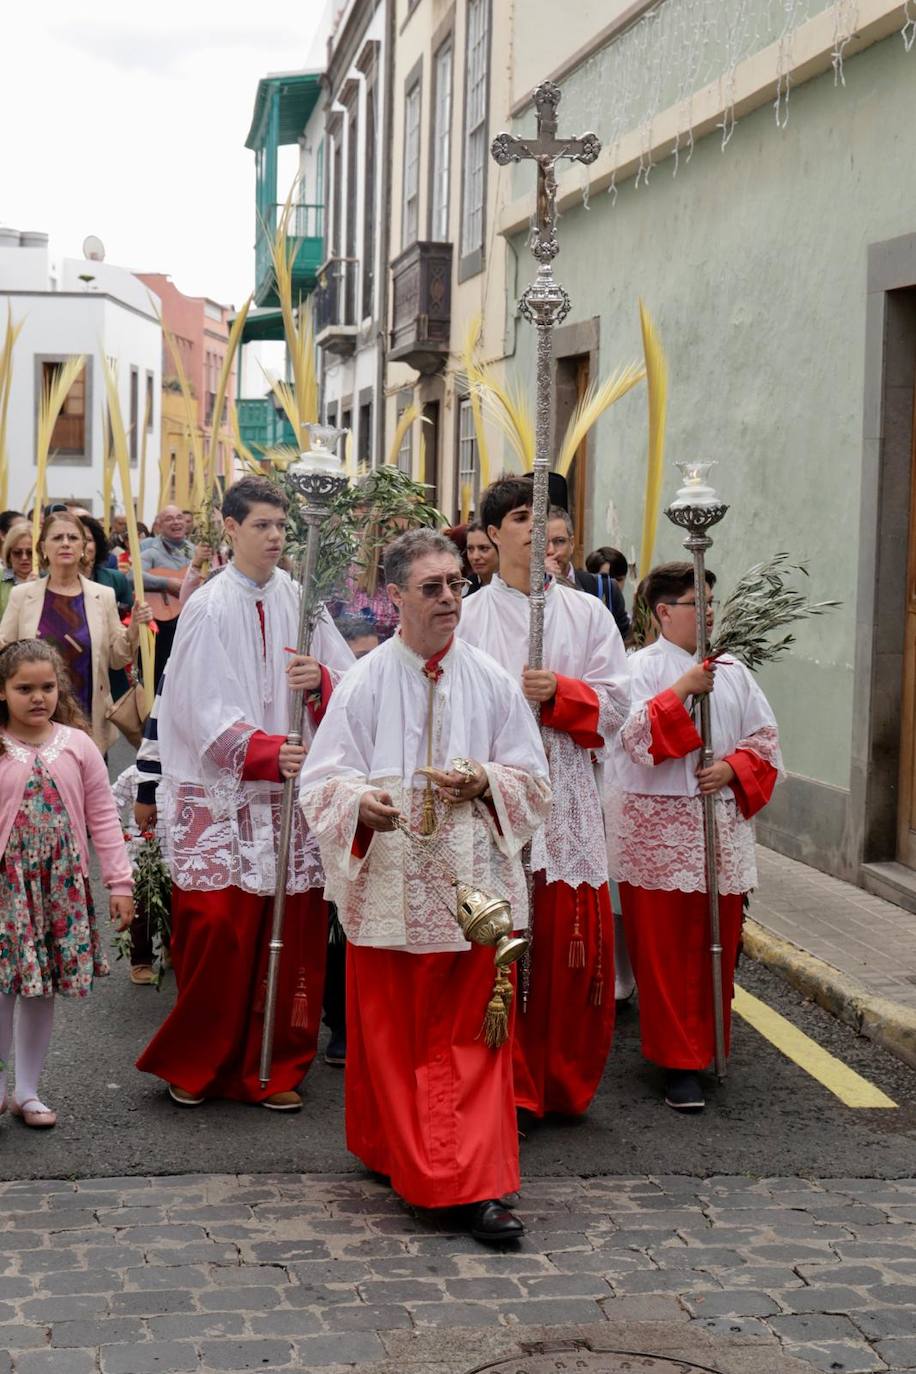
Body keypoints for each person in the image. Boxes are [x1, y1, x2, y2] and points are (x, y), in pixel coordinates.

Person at [299, 529, 551, 1242]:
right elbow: (322, 780)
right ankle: (400, 1153)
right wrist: (360, 805)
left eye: (455, 586)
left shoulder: (493, 680)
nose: (449, 598)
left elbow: (535, 783)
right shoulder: (366, 681)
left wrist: (484, 780)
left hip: (474, 892)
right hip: (391, 887)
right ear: (395, 597)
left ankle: (466, 1186)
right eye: (432, 587)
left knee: (471, 1039)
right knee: (397, 1039)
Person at [136, 475, 355, 1110]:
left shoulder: (302, 599)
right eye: (262, 525)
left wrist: (320, 681)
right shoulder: (207, 605)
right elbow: (196, 706)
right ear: (229, 529)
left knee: (292, 937)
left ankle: (274, 1068)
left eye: (282, 527)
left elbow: (349, 683)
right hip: (225, 798)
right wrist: (261, 751)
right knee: (219, 934)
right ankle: (198, 1060)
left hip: (287, 797)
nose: (275, 537)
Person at [457, 477, 630, 1121]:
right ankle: (504, 1081)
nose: (535, 528)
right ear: (494, 533)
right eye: (521, 516)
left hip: (563, 790)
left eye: (545, 516)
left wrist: (560, 693)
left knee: (565, 941)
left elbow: (617, 705)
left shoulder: (586, 613)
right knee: (499, 940)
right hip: (492, 790)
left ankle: (559, 1081)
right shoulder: (467, 616)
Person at [606, 562, 781, 1112]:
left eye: (710, 599)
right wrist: (681, 690)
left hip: (718, 825)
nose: (707, 610)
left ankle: (708, 1046)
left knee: (716, 942)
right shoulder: (637, 669)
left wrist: (732, 768)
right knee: (664, 951)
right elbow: (633, 741)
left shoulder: (733, 670)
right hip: (655, 832)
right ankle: (676, 1061)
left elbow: (766, 740)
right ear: (663, 612)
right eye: (694, 602)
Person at [0, 640, 134, 1129]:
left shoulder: (77, 745)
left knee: (41, 990)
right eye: (24, 688)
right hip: (8, 888)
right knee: (2, 987)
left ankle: (27, 1091)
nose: (38, 697)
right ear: (2, 691)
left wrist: (120, 882)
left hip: (60, 887)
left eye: (48, 687)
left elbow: (103, 816)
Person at [0, 511, 152, 755]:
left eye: (73, 537)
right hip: (34, 718)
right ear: (43, 547)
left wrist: (133, 628)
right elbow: (6, 650)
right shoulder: (23, 595)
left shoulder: (103, 595)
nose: (65, 543)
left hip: (88, 719)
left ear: (83, 546)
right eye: (57, 537)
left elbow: (116, 658)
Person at [548, 508, 629, 640]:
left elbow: (623, 643)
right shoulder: (521, 590)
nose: (551, 551)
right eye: (542, 542)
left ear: (572, 544)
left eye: (559, 541)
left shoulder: (604, 588)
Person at [140, 506, 195, 680]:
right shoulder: (150, 551)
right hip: (163, 625)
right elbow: (132, 576)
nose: (176, 522)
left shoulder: (196, 551)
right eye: (169, 519)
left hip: (192, 620)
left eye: (179, 517)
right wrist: (165, 583)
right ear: (159, 526)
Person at [0, 522, 35, 616]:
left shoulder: (50, 578)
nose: (24, 558)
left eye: (30, 552)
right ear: (8, 555)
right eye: (17, 553)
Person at [465, 519, 498, 592]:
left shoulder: (521, 588)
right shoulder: (464, 588)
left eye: (483, 548)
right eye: (470, 549)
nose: (475, 556)